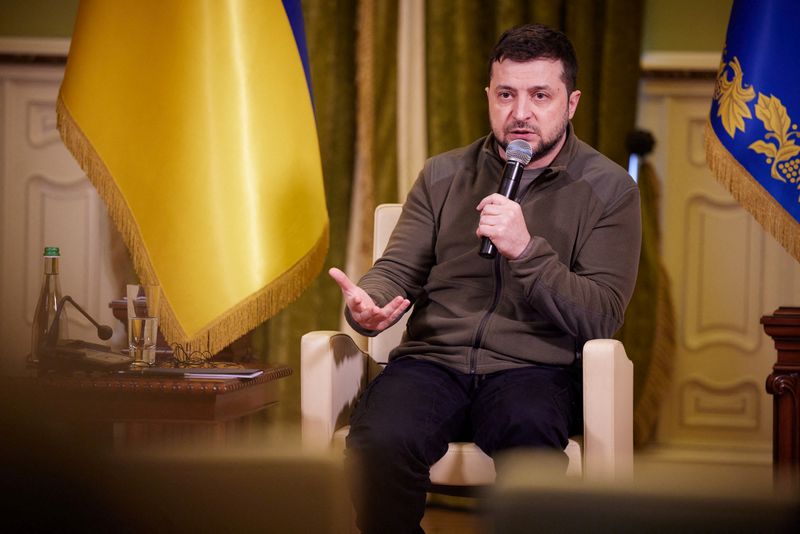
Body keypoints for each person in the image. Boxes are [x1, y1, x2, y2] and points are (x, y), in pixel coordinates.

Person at [329, 23, 641, 533]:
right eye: (506, 95)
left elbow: (602, 314)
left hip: (535, 370)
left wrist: (526, 251)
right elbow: (396, 269)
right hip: (433, 362)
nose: (520, 113)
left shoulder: (610, 190)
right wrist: (367, 305)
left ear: (571, 103)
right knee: (377, 443)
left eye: (540, 95)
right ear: (489, 98)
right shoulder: (442, 175)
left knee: (530, 441)